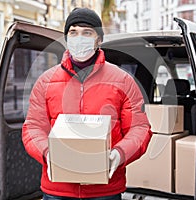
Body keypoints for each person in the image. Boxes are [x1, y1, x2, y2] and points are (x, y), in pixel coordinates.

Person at [22, 7, 152, 200]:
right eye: (73, 32)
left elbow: (139, 128)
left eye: (87, 32)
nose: (79, 38)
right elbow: (33, 127)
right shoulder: (45, 81)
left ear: (98, 39)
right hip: (58, 189)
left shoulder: (123, 80)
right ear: (66, 39)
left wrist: (119, 154)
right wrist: (48, 154)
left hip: (105, 189)